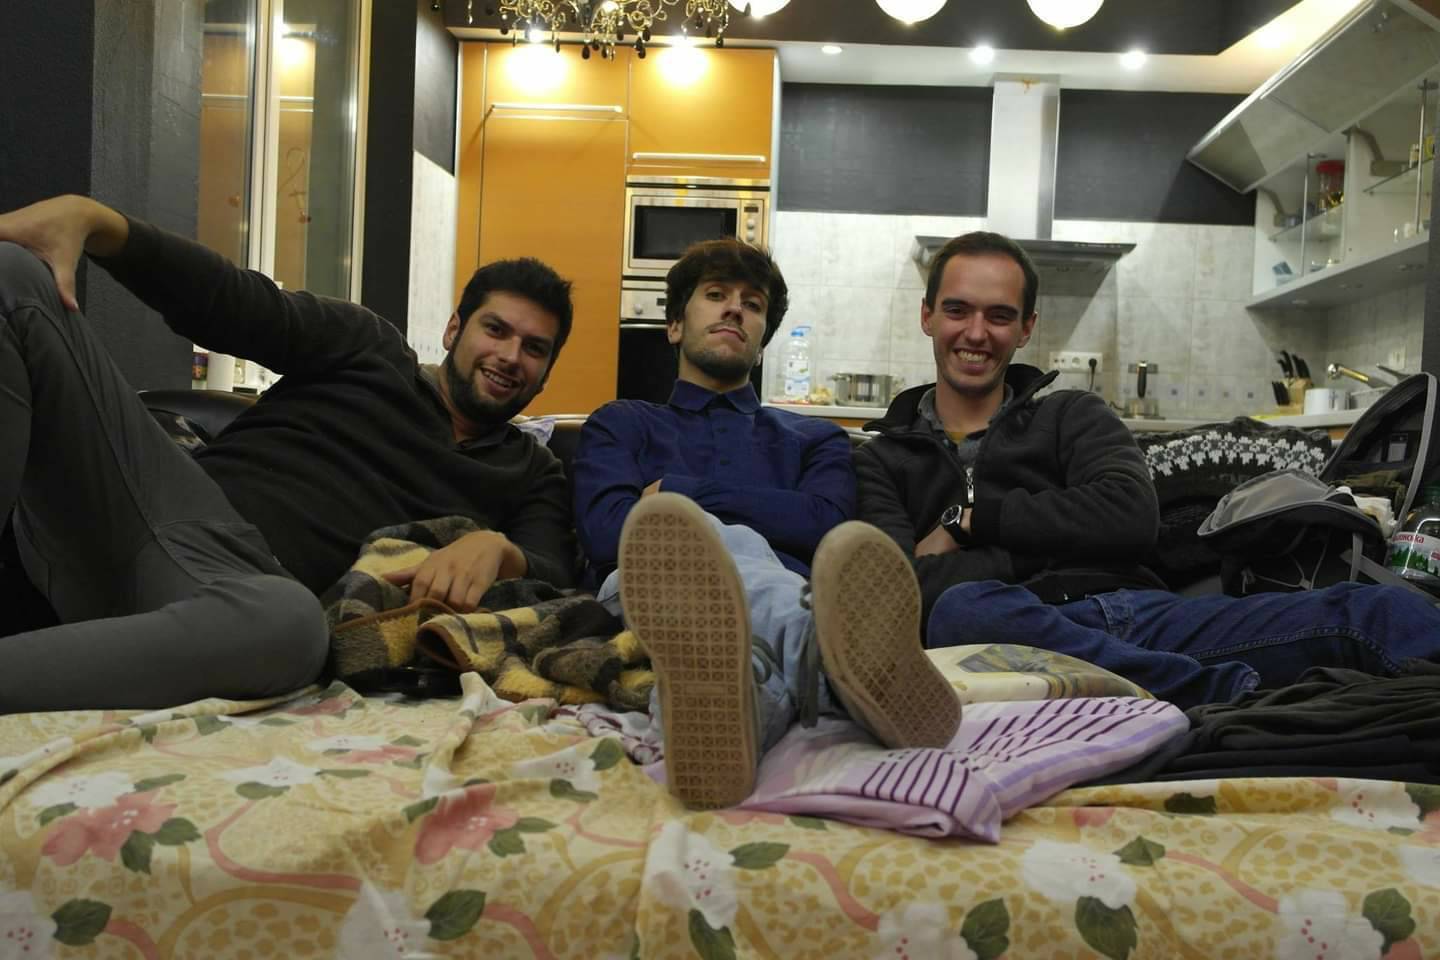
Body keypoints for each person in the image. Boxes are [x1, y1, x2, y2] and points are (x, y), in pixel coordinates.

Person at [0, 194, 575, 712]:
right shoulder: (369, 348)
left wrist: (495, 546)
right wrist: (100, 223)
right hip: (155, 504)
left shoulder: (531, 471)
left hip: (239, 599)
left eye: (534, 348)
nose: (509, 355)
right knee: (16, 275)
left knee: (296, 630)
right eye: (495, 329)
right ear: (453, 330)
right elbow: (235, 303)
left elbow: (555, 575)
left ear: (546, 371)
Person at [855, 230, 1440, 709]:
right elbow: (896, 589)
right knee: (964, 609)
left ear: (1027, 327)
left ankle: (1171, 689)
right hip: (1007, 638)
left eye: (999, 315)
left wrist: (969, 524)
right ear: (928, 316)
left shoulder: (1071, 414)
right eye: (957, 310)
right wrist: (1045, 547)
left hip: (1139, 616)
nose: (977, 333)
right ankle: (1214, 693)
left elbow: (1130, 518)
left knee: (1381, 609)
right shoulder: (879, 457)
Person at [572, 238, 961, 810]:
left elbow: (826, 526)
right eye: (716, 295)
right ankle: (834, 661)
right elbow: (609, 533)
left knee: (716, 558)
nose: (735, 309)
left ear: (761, 343)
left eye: (752, 304)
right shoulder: (621, 423)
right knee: (703, 538)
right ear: (675, 326)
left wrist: (680, 491)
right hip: (647, 592)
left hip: (781, 598)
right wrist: (744, 515)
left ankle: (742, 705)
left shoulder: (816, 436)